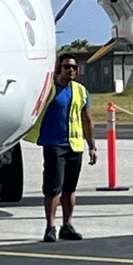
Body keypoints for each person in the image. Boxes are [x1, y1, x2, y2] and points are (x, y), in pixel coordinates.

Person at [34, 54, 96, 241]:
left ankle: (67, 225)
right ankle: (50, 226)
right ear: (58, 68)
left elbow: (87, 119)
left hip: (74, 145)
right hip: (54, 144)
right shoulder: (49, 90)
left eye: (74, 67)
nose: (71, 70)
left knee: (70, 188)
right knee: (53, 189)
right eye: (67, 66)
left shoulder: (81, 91)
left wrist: (92, 146)